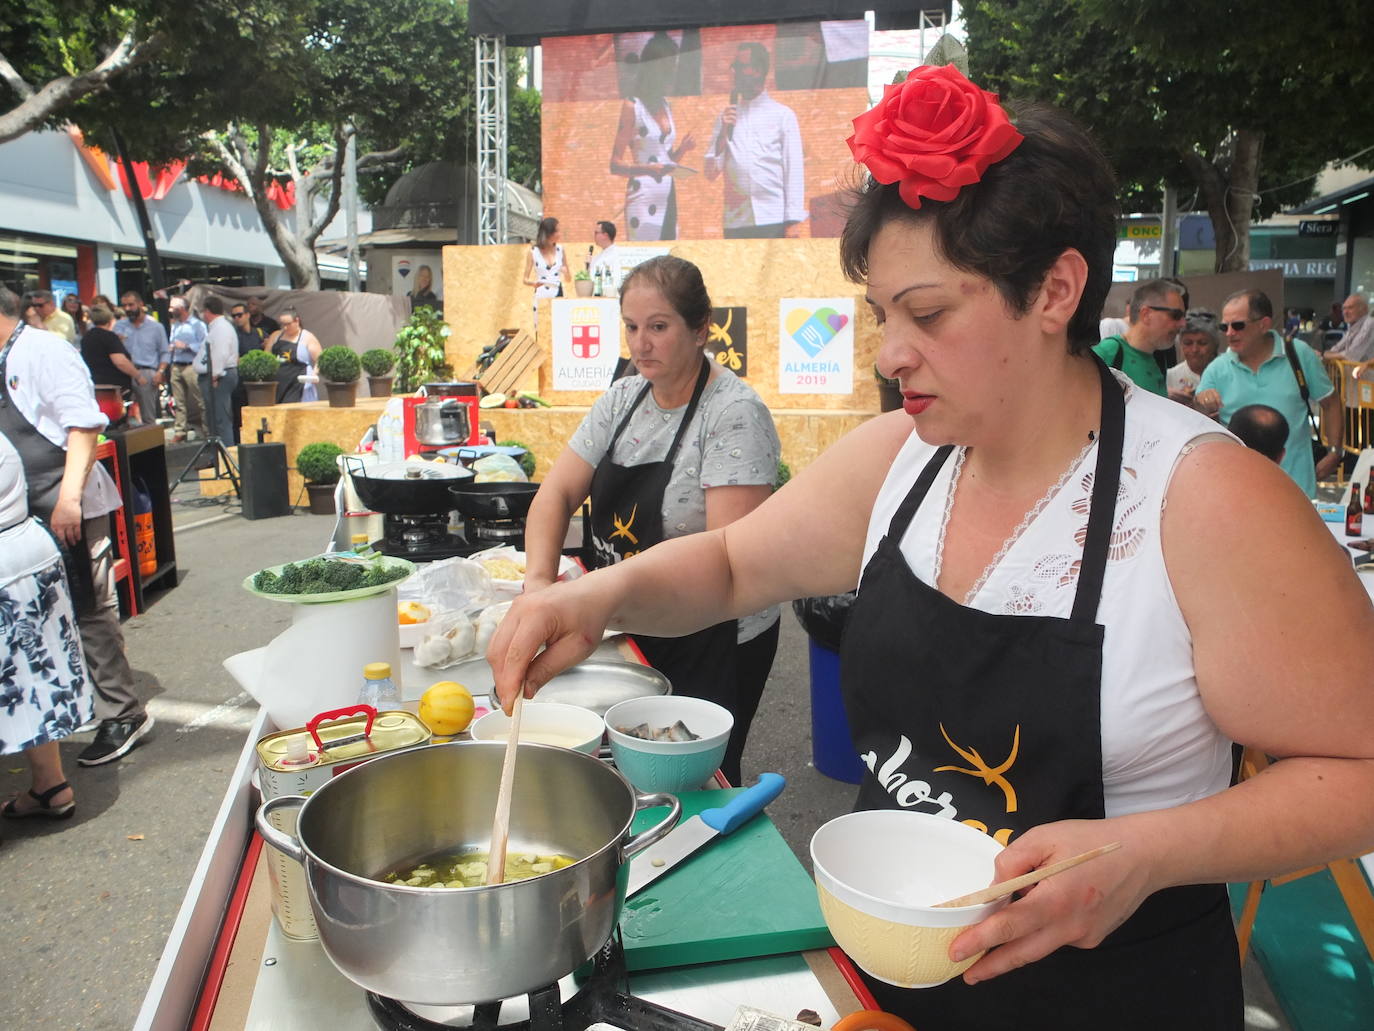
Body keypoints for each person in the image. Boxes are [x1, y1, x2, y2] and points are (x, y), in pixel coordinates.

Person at [488, 70, 1374, 1029]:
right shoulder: (901, 462)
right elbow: (736, 565)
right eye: (881, 317)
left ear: (1055, 290)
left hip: (1115, 994)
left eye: (929, 314)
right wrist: (590, 599)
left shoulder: (1201, 497)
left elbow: (1358, 771)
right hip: (892, 977)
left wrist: (1150, 852)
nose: (887, 355)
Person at [521, 255, 782, 785]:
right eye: (633, 328)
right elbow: (555, 494)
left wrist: (605, 596)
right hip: (630, 623)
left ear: (700, 327)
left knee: (694, 780)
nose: (641, 344)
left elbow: (726, 561)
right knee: (620, 774)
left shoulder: (732, 414)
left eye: (658, 327)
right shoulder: (623, 398)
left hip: (714, 636)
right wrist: (538, 586)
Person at [0, 287, 154, 766]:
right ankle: (76, 706)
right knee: (46, 615)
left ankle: (122, 713)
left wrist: (68, 500)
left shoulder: (43, 349)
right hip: (23, 504)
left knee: (88, 607)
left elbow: (84, 426)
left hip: (63, 499)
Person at [0, 433, 93, 824]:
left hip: (11, 555)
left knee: (24, 677)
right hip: (25, 546)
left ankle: (51, 785)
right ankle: (51, 785)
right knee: (35, 675)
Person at [1195, 288, 1342, 497]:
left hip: (1295, 489)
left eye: (1237, 325)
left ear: (1263, 324)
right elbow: (1198, 415)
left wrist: (1336, 452)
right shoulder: (1217, 369)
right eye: (1224, 326)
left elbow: (1331, 402)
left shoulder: (1299, 354)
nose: (1229, 333)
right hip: (1236, 490)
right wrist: (1202, 402)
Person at [704, 42, 806, 239]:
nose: (735, 73)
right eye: (734, 67)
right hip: (736, 220)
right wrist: (722, 133)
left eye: (740, 67)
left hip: (773, 218)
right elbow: (710, 172)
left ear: (758, 70)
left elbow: (793, 170)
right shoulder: (726, 116)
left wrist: (793, 220)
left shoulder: (782, 115)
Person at [610, 32, 695, 242]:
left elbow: (664, 161)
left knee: (668, 258)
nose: (671, 72)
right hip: (643, 196)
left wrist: (682, 150)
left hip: (667, 193)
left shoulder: (666, 105)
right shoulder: (632, 106)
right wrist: (648, 169)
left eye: (673, 66)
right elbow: (615, 164)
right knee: (646, 259)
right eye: (667, 66)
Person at [1090, 278, 1185, 396]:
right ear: (1146, 314)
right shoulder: (1109, 352)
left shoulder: (1160, 358)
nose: (1182, 323)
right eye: (1176, 315)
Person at [113, 291, 170, 427]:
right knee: (121, 416)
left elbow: (165, 352)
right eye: (124, 305)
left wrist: (160, 372)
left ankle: (153, 446)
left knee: (148, 418)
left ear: (140, 304)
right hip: (124, 373)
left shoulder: (156, 327)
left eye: (131, 305)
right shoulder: (119, 327)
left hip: (147, 372)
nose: (127, 309)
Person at [195, 295, 239, 443]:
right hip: (215, 376)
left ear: (207, 311)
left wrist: (215, 375)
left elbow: (221, 353)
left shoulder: (221, 328)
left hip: (219, 377)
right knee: (214, 421)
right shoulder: (217, 327)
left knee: (221, 420)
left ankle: (226, 459)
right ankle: (217, 458)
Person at [167, 296, 207, 442]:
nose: (170, 310)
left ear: (183, 309)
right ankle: (180, 430)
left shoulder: (197, 325)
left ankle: (207, 430)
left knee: (200, 400)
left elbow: (205, 345)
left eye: (174, 308)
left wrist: (188, 346)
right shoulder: (175, 325)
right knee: (179, 400)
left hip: (191, 365)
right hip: (177, 364)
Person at [262, 308, 322, 403]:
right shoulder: (276, 335)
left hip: (298, 385)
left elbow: (320, 359)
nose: (285, 328)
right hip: (277, 385)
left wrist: (314, 374)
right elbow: (265, 357)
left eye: (288, 324)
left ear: (297, 321)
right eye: (283, 324)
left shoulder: (307, 337)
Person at [1165, 309, 1221, 405]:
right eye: (1188, 343)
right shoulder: (1170, 376)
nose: (1194, 349)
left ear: (1215, 344)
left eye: (1202, 343)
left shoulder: (1228, 370)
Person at [80, 304, 138, 395]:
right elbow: (120, 362)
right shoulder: (109, 337)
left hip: (93, 383)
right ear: (110, 320)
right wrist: (138, 376)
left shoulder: (86, 337)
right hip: (113, 386)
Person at [522, 217, 572, 321]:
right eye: (557, 231)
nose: (560, 234)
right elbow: (525, 279)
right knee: (541, 328)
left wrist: (566, 273)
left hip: (557, 291)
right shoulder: (533, 252)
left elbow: (568, 279)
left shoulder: (560, 250)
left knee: (559, 326)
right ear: (550, 233)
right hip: (541, 292)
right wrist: (533, 283)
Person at [1326, 293, 1373, 363]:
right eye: (1344, 308)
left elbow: (1351, 354)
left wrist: (1328, 355)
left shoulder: (1370, 324)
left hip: (1366, 373)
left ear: (1364, 309)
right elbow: (1335, 349)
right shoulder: (1352, 326)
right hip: (1354, 373)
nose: (1345, 312)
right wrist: (1328, 354)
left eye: (1350, 308)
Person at [590, 221, 621, 287]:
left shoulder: (618, 255)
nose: (594, 236)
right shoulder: (596, 258)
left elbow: (617, 279)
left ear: (605, 235)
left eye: (596, 233)